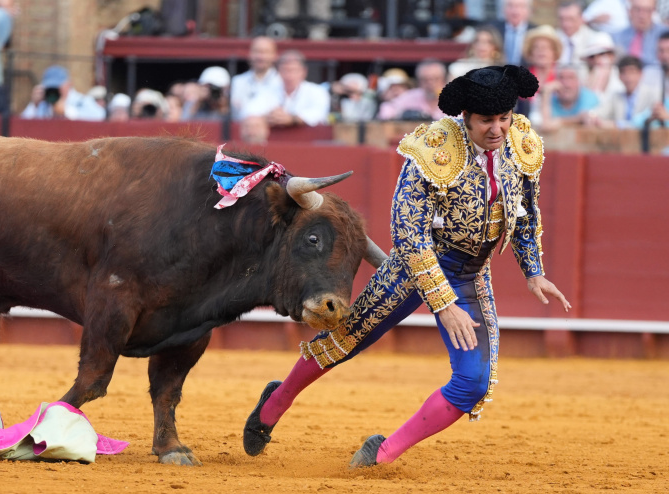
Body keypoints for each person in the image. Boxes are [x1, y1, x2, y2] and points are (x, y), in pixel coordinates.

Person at [242, 64, 572, 467]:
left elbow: (525, 213)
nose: (498, 129)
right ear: (465, 117)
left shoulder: (522, 142)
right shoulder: (431, 149)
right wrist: (444, 303)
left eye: (504, 119)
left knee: (475, 383)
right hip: (415, 267)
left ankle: (382, 452)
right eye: (487, 120)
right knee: (343, 341)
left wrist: (533, 268)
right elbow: (410, 234)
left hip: (470, 274)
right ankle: (275, 402)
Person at [240, 50, 330, 127]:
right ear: (278, 71)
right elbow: (248, 111)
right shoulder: (268, 90)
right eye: (285, 70)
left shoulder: (317, 91)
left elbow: (319, 114)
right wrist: (269, 117)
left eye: (293, 70)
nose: (289, 76)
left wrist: (292, 119)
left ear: (304, 71)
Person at [593, 55, 661, 128]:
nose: (628, 76)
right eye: (624, 72)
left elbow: (642, 122)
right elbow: (599, 113)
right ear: (619, 76)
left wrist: (615, 124)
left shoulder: (653, 94)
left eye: (632, 72)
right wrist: (590, 116)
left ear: (640, 74)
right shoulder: (616, 97)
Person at [20, 64, 105, 120]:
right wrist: (34, 105)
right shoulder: (43, 104)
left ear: (69, 84)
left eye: (57, 86)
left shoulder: (81, 100)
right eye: (50, 87)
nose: (54, 89)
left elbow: (100, 115)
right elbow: (23, 123)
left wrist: (67, 111)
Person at [229, 36, 282, 120]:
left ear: (275, 55)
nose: (261, 57)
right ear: (250, 54)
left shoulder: (283, 83)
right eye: (257, 51)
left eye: (266, 52)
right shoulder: (237, 82)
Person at [377, 60, 447, 121]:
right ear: (419, 82)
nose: (430, 83)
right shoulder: (410, 97)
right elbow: (387, 110)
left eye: (435, 79)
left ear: (444, 80)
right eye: (425, 80)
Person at [519, 25, 563, 123]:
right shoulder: (521, 78)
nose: (541, 51)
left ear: (554, 53)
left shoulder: (562, 76)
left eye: (546, 47)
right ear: (531, 53)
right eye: (536, 47)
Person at [538, 64, 600, 132]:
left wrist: (560, 122)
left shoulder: (589, 97)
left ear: (579, 82)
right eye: (561, 78)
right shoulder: (549, 98)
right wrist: (546, 92)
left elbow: (589, 121)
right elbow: (545, 126)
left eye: (571, 78)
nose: (566, 84)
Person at [612, 0, 667, 68]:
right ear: (629, 11)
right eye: (637, 9)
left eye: (647, 10)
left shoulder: (665, 34)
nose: (642, 15)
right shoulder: (617, 37)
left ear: (654, 11)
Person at [484, 0, 537, 65]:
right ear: (503, 9)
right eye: (510, 5)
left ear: (529, 10)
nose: (515, 11)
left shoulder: (536, 32)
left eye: (520, 6)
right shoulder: (492, 29)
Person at [580, 31, 624, 105]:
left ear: (612, 56)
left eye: (602, 54)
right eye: (592, 57)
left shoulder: (622, 78)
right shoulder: (583, 81)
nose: (597, 60)